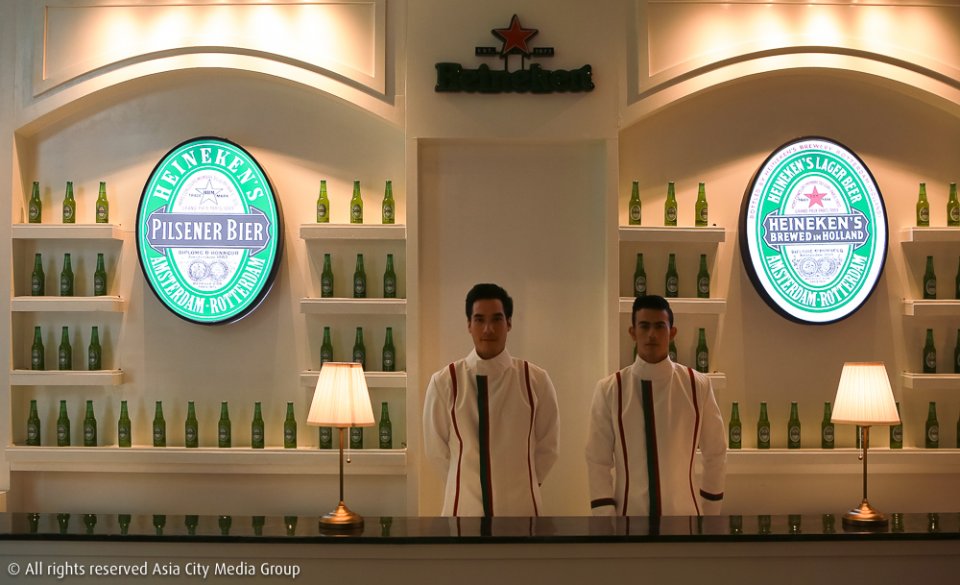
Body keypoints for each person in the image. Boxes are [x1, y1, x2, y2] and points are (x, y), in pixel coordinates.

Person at [423, 283, 560, 517]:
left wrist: (522, 483)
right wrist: (465, 482)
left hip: (521, 510)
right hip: (463, 510)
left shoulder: (534, 380)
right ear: (469, 325)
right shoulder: (445, 382)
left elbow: (548, 446)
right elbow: (436, 451)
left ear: (509, 323)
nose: (488, 329)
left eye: (497, 319)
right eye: (479, 320)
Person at [585, 294, 726, 517]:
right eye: (644, 326)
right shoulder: (611, 389)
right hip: (628, 519)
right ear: (632, 332)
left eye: (660, 326)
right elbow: (597, 459)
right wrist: (605, 518)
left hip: (685, 519)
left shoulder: (697, 385)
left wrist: (709, 514)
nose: (652, 334)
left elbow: (715, 452)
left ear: (672, 332)